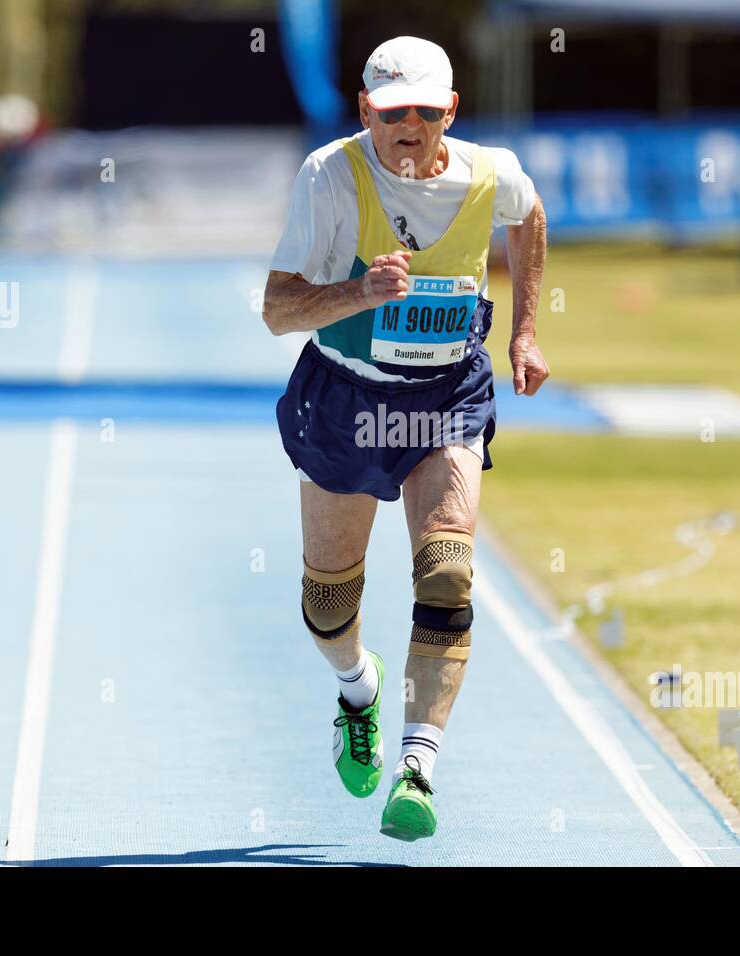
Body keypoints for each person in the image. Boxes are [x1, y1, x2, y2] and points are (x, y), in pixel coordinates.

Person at [262, 37, 548, 841]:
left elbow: (530, 219)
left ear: (450, 111)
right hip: (345, 399)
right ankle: (359, 689)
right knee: (328, 606)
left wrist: (525, 332)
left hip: (445, 398)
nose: (408, 126)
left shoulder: (492, 174)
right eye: (392, 112)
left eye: (425, 109)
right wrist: (359, 291)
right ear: (366, 111)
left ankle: (417, 767)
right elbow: (278, 310)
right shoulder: (331, 176)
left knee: (447, 573)